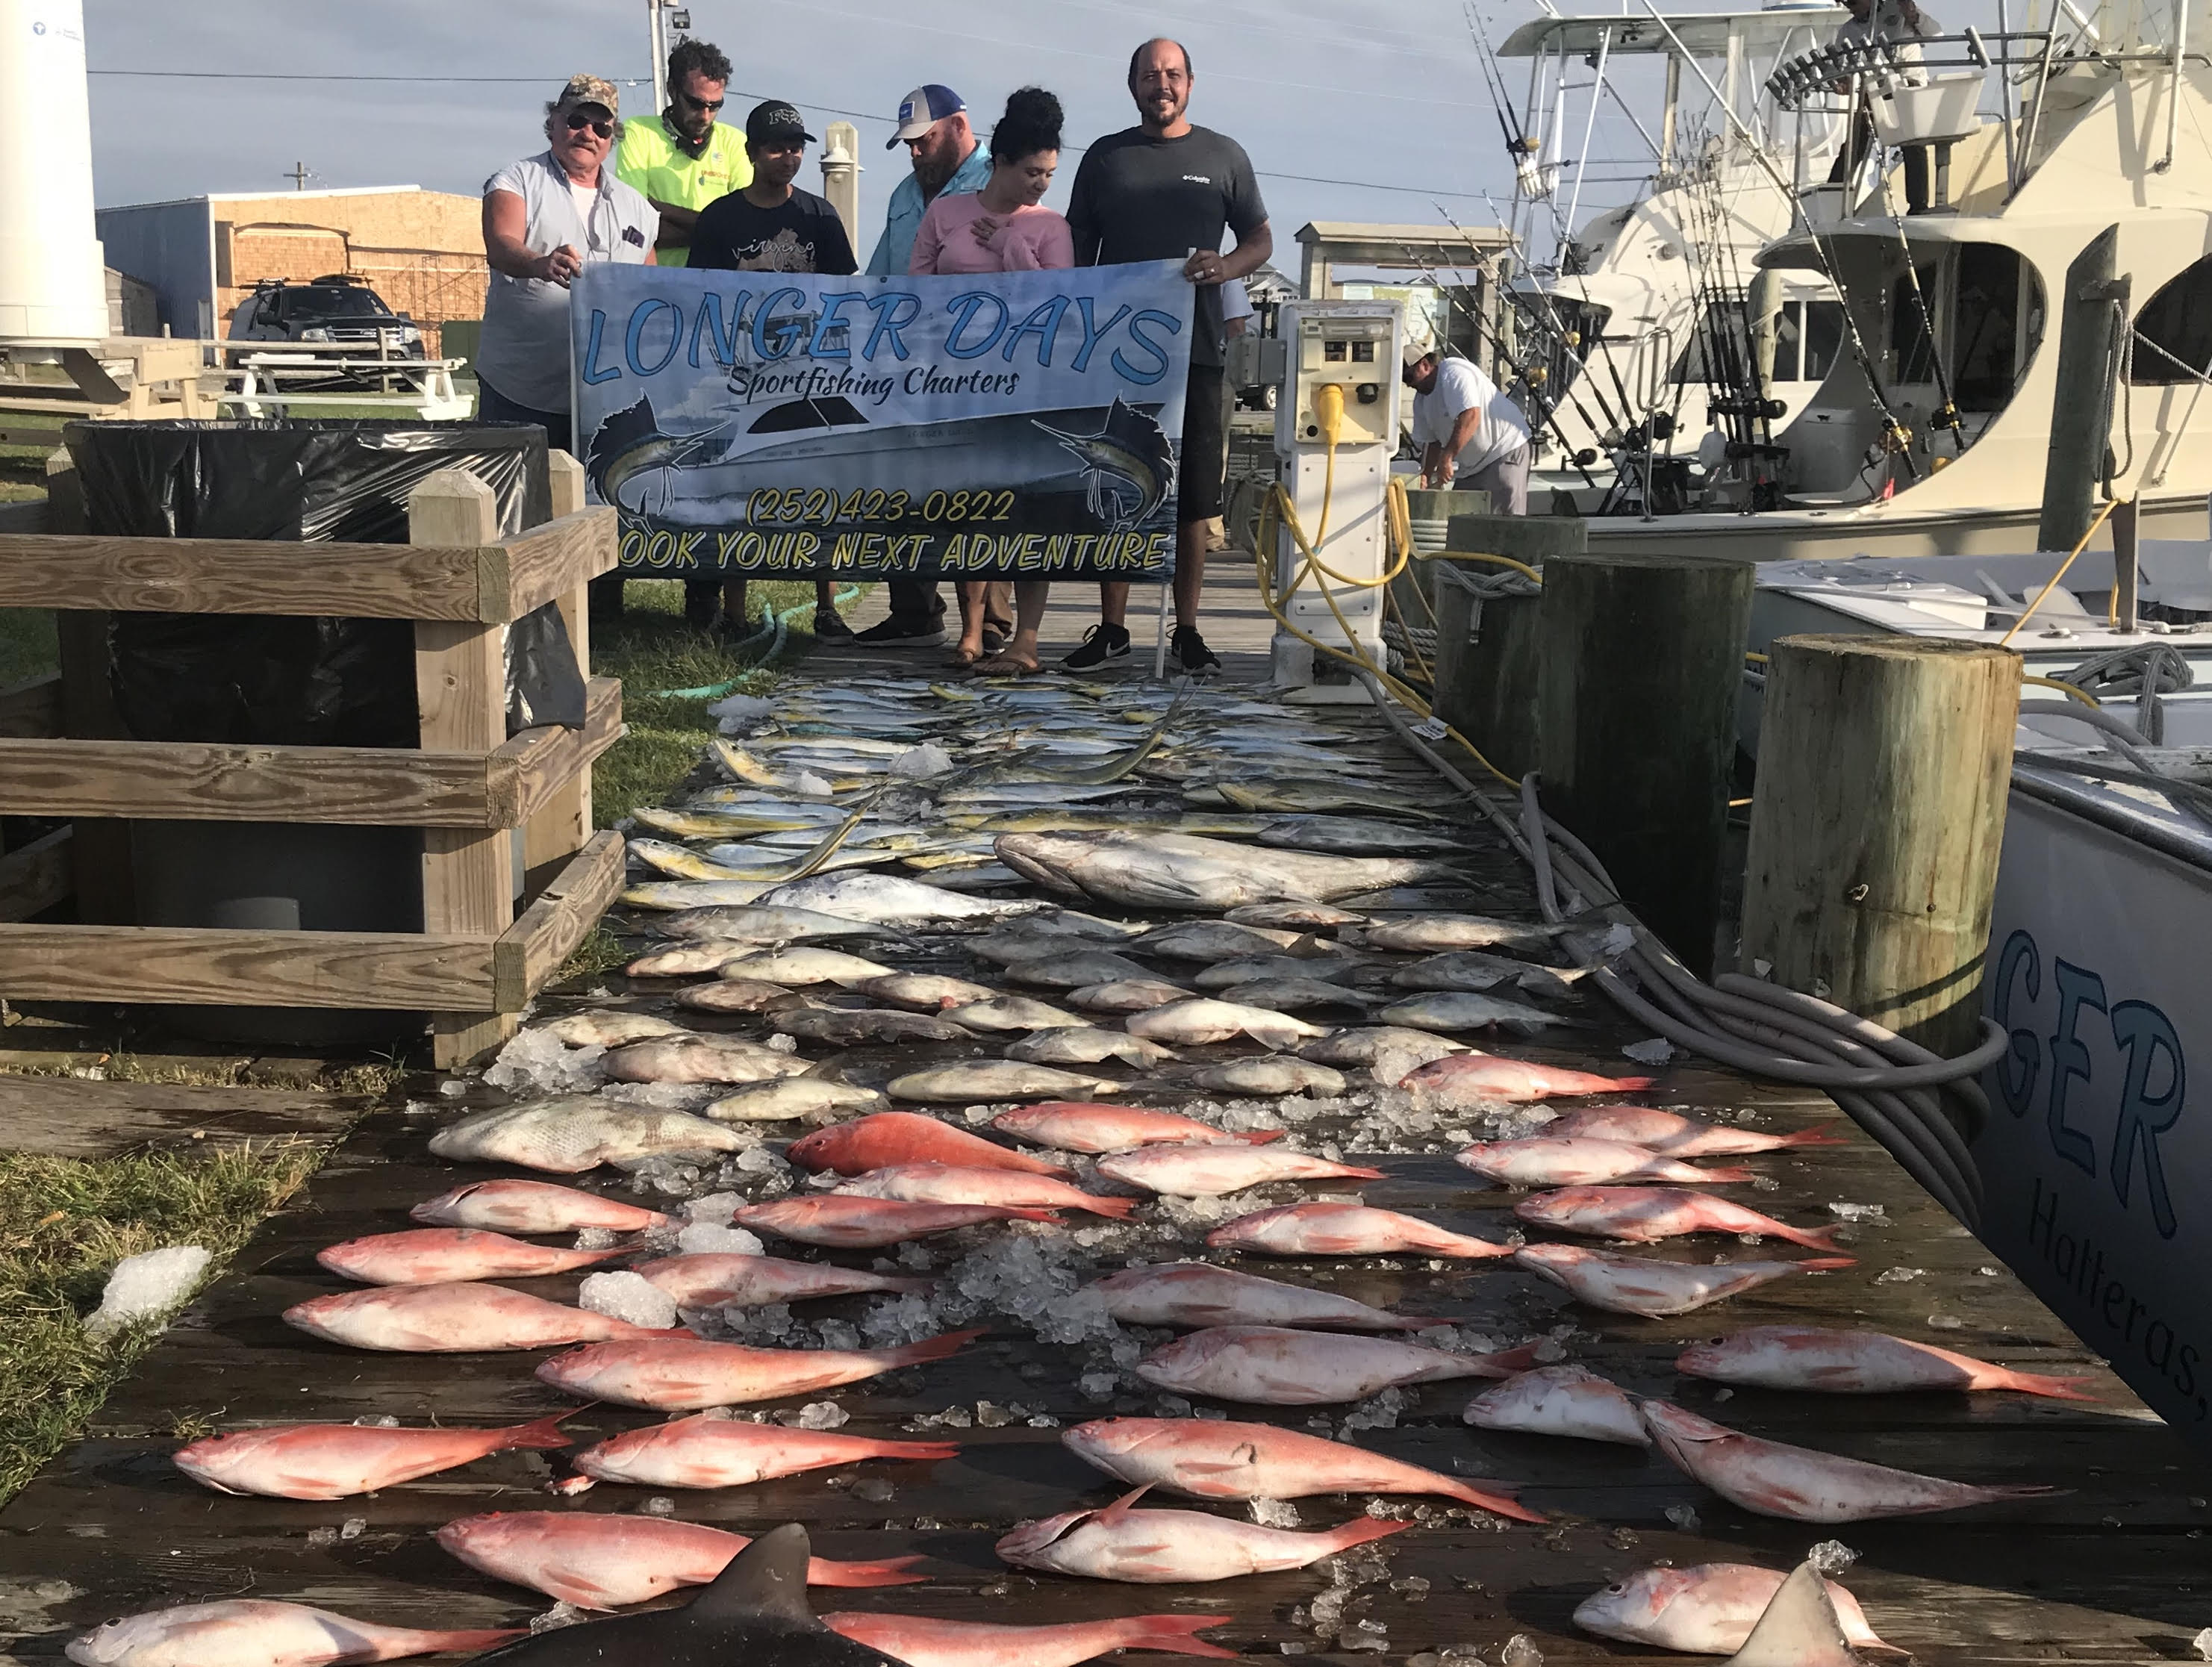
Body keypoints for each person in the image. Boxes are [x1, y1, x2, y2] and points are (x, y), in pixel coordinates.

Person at [1063, 38, 1272, 676]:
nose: (1163, 84)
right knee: (1117, 482)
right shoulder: (1104, 158)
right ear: (1131, 85)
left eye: (1173, 74)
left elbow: (1258, 237)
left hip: (1199, 349)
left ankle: (1186, 628)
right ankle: (1114, 627)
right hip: (1116, 355)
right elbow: (1072, 250)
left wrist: (1226, 266)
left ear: (1190, 83)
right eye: (1151, 75)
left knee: (1193, 497)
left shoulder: (1223, 155)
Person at [477, 75, 658, 620]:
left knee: (600, 503)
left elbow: (650, 290)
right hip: (522, 384)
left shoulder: (638, 208)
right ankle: (514, 617)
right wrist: (538, 262)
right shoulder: (516, 179)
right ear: (553, 122)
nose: (587, 132)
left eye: (600, 125)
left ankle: (596, 616)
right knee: (515, 506)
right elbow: (500, 243)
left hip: (604, 395)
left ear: (613, 136)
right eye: (576, 119)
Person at [909, 87, 1074, 675]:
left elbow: (1058, 311)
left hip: (1030, 385)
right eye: (1032, 172)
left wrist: (1011, 249)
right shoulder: (944, 214)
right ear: (1000, 162)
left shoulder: (1052, 227)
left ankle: (1026, 638)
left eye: (1050, 174)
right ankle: (971, 629)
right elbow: (912, 295)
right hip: (955, 384)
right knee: (968, 507)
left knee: (1032, 510)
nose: (1041, 184)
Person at [688, 101, 856, 641]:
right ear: (752, 153)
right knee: (740, 485)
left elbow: (845, 294)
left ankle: (826, 608)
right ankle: (733, 613)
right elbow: (696, 295)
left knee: (820, 486)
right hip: (742, 373)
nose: (790, 157)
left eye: (797, 147)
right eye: (778, 147)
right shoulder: (721, 217)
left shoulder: (820, 216)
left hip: (811, 371)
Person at [613, 38, 752, 629]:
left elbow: (742, 222)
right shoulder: (636, 136)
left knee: (708, 451)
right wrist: (709, 229)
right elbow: (628, 219)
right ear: (673, 93)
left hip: (715, 327)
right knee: (629, 441)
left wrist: (671, 221)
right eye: (696, 103)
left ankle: (705, 598)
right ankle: (607, 589)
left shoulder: (736, 143)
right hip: (646, 323)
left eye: (716, 105)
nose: (706, 116)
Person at [858, 84, 996, 647]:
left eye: (925, 141)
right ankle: (914, 611)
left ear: (959, 127)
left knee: (984, 492)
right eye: (909, 146)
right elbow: (877, 279)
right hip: (907, 369)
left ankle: (990, 621)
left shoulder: (998, 184)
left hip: (980, 371)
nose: (916, 154)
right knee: (904, 487)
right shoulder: (901, 194)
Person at [1828, 0, 1940, 213]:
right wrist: (1843, 83)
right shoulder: (1848, 31)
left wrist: (1913, 15)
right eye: (1843, 1)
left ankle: (1918, 207)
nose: (1847, 5)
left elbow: (1935, 34)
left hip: (1908, 85)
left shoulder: (1900, 10)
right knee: (1854, 145)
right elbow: (1844, 72)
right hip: (1876, 90)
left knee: (1913, 145)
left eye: (1851, 0)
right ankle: (1830, 201)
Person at [1402, 334, 1533, 514]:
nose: (1408, 385)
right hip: (1470, 468)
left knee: (1506, 525)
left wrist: (1447, 458)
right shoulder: (1421, 401)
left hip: (1504, 450)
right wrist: (1426, 474)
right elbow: (1432, 442)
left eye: (1408, 378)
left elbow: (1471, 416)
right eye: (1403, 380)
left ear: (1424, 365)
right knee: (1460, 519)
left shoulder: (1454, 372)